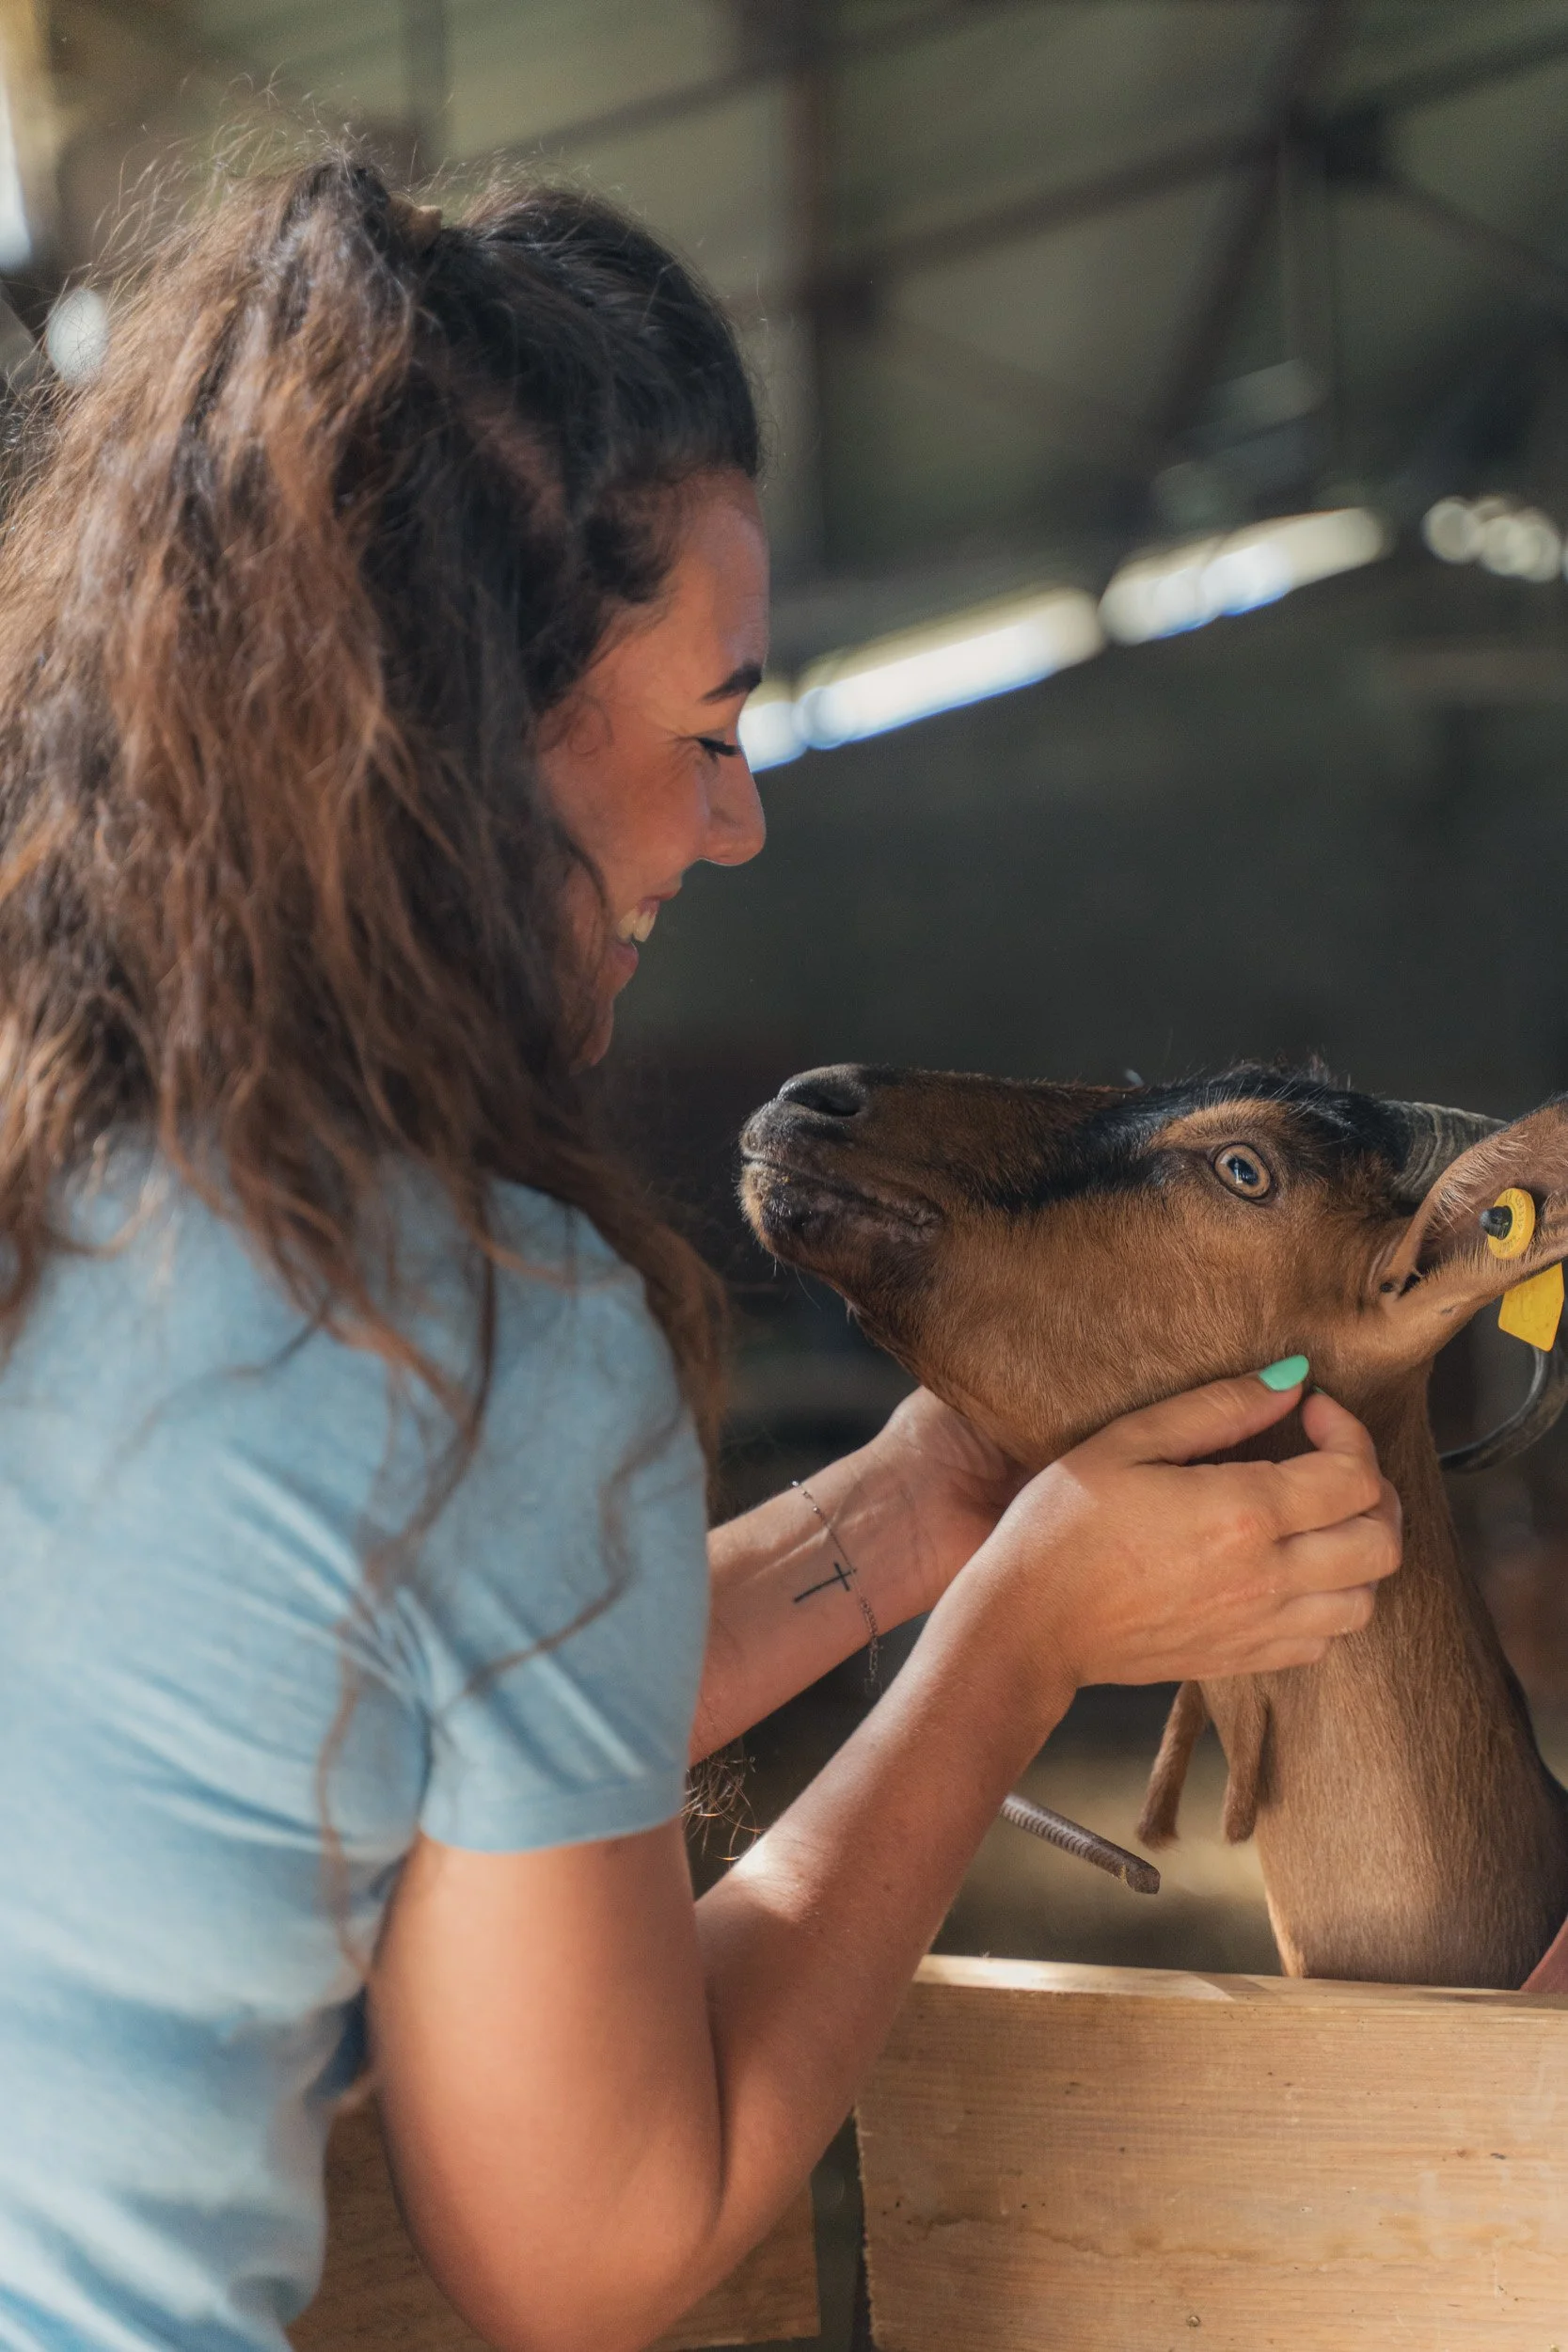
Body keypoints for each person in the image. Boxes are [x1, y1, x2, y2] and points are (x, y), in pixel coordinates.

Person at [0, 155, 1401, 2352]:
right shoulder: (464, 1335)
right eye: (713, 727)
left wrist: (926, 1503)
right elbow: (592, 2236)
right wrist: (1020, 1632)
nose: (736, 821)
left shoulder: (74, 1161)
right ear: (466, 724)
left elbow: (320, 1701)